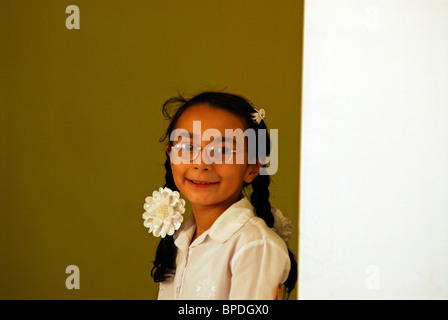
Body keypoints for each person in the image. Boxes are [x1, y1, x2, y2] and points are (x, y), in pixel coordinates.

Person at [143, 91, 297, 299]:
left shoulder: (255, 246)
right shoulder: (182, 239)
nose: (202, 163)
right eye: (188, 147)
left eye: (223, 150)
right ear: (170, 156)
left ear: (252, 167)